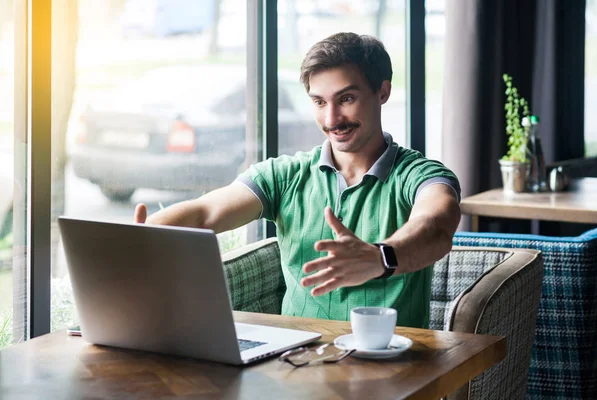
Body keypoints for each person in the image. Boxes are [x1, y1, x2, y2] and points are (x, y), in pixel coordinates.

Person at [134, 32, 461, 328]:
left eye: (346, 99)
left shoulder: (419, 174)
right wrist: (139, 236)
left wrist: (380, 258)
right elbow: (204, 213)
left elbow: (436, 225)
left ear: (383, 92)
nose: (332, 119)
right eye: (319, 102)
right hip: (295, 365)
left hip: (392, 372)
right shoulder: (283, 176)